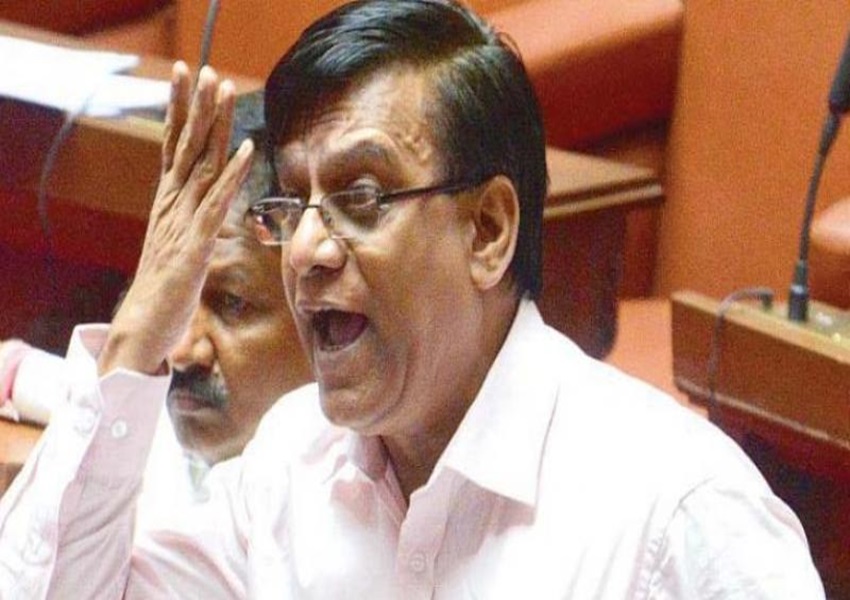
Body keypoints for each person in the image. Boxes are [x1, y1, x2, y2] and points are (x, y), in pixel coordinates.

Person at [0, 1, 826, 598]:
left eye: (360, 197)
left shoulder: (677, 510)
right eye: (293, 203)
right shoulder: (291, 460)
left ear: (488, 231)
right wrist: (137, 336)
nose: (308, 249)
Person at [0, 93, 312, 521]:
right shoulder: (159, 431)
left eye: (232, 303)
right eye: (174, 299)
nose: (180, 353)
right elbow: (56, 385)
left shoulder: (349, 513)